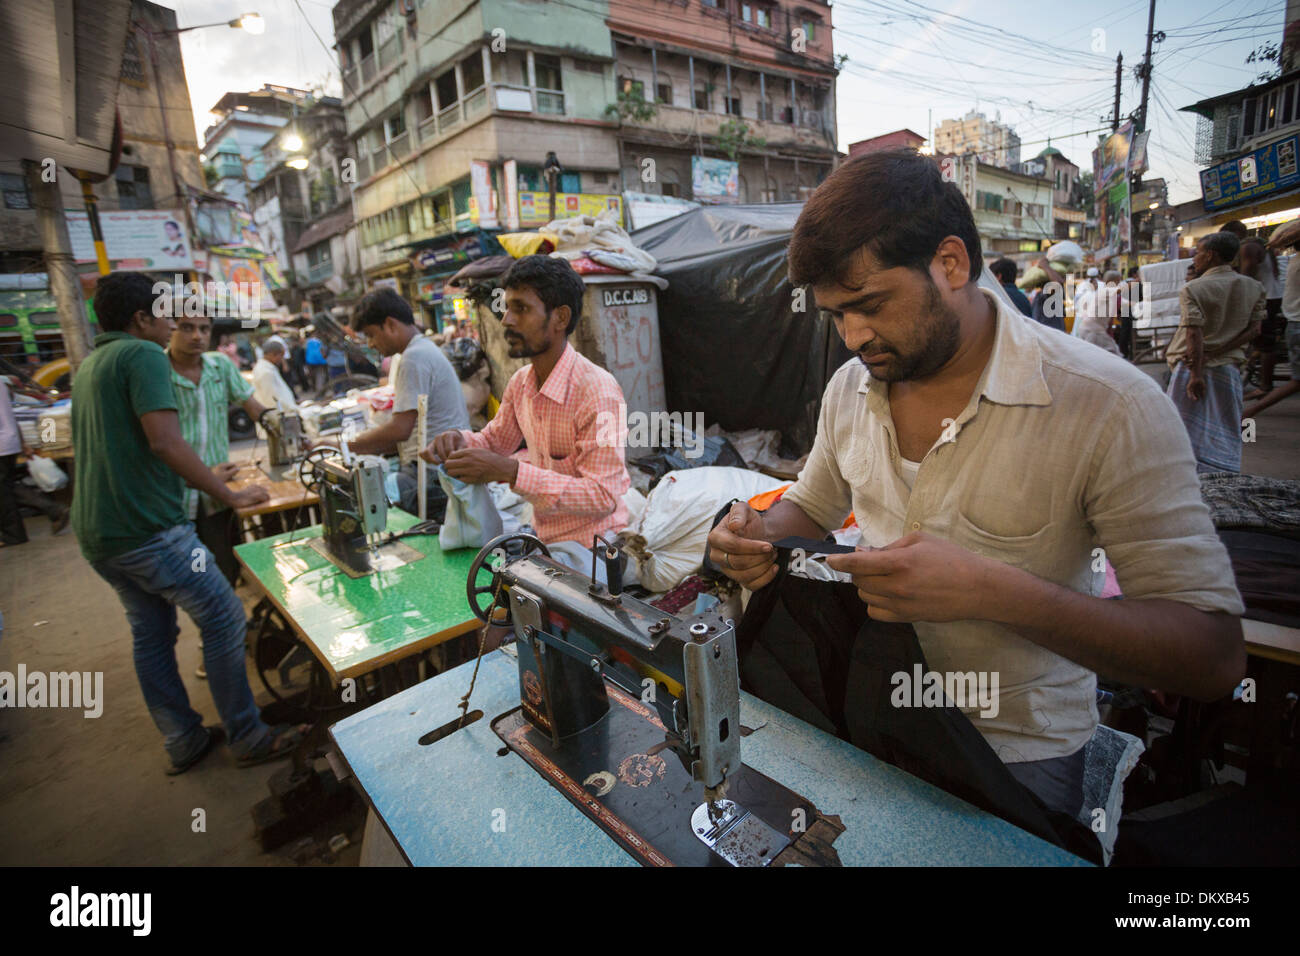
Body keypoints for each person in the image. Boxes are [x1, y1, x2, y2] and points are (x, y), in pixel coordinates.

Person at [706, 150, 1244, 820]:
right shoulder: (853, 388)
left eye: (869, 305)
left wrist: (992, 592)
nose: (852, 337)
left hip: (1022, 755)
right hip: (875, 713)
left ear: (950, 264)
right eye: (835, 315)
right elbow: (811, 508)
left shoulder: (1109, 407)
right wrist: (755, 534)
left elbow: (1212, 657)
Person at [70, 272, 303, 774]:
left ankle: (183, 740)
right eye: (168, 316)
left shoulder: (92, 363)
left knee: (151, 633)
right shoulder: (141, 356)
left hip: (100, 534)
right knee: (223, 616)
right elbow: (165, 443)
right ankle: (248, 736)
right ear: (142, 318)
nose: (177, 325)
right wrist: (230, 495)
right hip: (148, 528)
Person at [423, 255, 631, 571]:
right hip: (545, 539)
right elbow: (495, 442)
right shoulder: (522, 383)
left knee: (507, 610)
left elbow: (603, 497)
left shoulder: (597, 392)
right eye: (507, 307)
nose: (506, 320)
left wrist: (511, 472)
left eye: (520, 308)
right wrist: (458, 442)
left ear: (560, 318)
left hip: (595, 548)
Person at [321, 288, 468, 520]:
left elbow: (399, 430)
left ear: (390, 324)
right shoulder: (420, 351)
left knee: (361, 505)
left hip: (433, 477)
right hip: (433, 470)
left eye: (371, 334)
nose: (370, 343)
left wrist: (344, 446)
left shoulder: (414, 357)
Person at [167, 312, 268, 589]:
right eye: (187, 328)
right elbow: (157, 443)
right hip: (175, 498)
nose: (197, 336)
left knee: (227, 569)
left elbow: (255, 408)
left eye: (203, 328)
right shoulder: (157, 372)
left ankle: (235, 625)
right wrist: (205, 474)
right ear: (170, 329)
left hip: (217, 498)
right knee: (196, 578)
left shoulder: (220, 366)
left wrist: (285, 427)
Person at [1166, 232, 1264, 473]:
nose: (1194, 258)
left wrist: (1197, 372)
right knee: (1225, 431)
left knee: (1179, 433)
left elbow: (1194, 334)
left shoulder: (1193, 288)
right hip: (1228, 371)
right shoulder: (1254, 287)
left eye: (1198, 252)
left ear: (1210, 255)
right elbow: (1254, 330)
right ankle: (1224, 480)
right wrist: (1218, 351)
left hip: (1191, 370)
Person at [0, 375, 69, 543]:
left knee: (4, 492)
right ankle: (53, 510)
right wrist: (23, 443)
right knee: (7, 488)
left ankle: (15, 534)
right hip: (10, 440)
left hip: (3, 444)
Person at [1244, 222, 1300, 418]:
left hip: (1268, 303)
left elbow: (1247, 274)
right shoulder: (1272, 254)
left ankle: (1263, 386)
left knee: (1264, 344)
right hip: (1278, 305)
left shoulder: (1252, 248)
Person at [1237, 237, 1284, 398]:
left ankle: (1265, 386)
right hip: (1272, 296)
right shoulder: (1263, 247)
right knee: (1261, 340)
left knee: (1264, 343)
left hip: (1264, 298)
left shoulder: (1248, 247)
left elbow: (1245, 278)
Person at [1071, 267, 1121, 355]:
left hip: (1089, 326)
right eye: (1118, 281)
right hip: (1093, 330)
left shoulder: (1084, 285)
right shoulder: (1104, 288)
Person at [252, 335, 297, 413]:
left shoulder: (268, 368)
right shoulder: (265, 372)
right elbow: (272, 401)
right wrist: (294, 409)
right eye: (281, 356)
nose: (281, 359)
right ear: (273, 354)